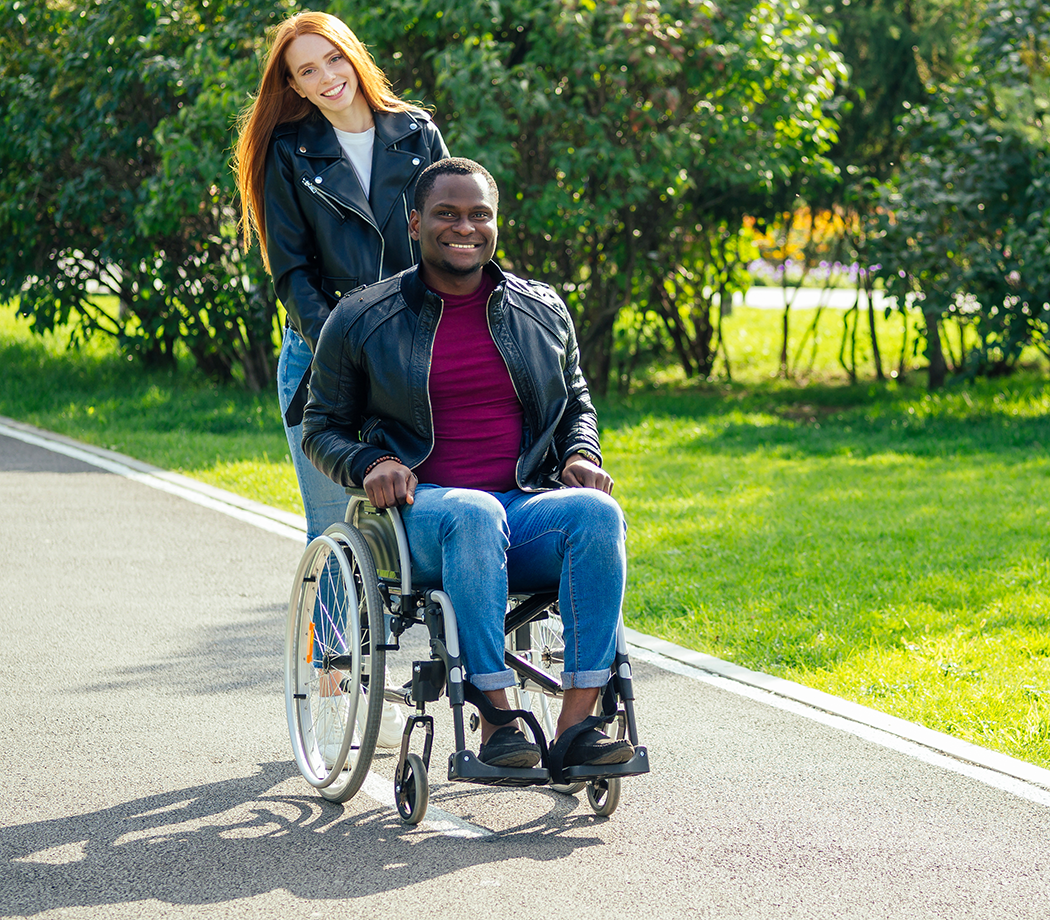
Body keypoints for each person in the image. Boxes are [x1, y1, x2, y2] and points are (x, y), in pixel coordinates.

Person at [301, 158, 635, 770]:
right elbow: (321, 428)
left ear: (496, 224)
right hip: (420, 519)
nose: (465, 227)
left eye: (479, 214)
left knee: (595, 513)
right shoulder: (362, 318)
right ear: (414, 223)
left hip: (523, 507)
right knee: (474, 511)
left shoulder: (542, 309)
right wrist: (371, 461)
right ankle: (498, 716)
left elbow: (575, 404)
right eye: (447, 214)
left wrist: (581, 453)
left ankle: (577, 726)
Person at [235, 11, 448, 752]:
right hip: (321, 358)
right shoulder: (289, 151)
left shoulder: (416, 133)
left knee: (424, 522)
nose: (327, 78)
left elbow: (447, 234)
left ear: (354, 56)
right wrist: (344, 343)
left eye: (333, 60)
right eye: (306, 71)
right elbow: (291, 271)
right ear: (290, 85)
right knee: (334, 531)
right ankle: (335, 700)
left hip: (414, 358)